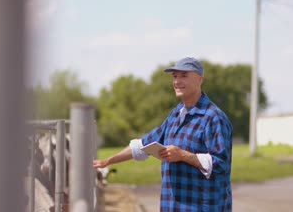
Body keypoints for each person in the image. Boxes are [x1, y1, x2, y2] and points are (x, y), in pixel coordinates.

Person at [93, 57, 233, 211]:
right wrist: (108, 161)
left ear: (200, 80)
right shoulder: (175, 116)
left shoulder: (213, 117)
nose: (177, 81)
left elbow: (222, 165)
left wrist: (183, 155)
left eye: (184, 76)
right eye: (175, 76)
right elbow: (142, 145)